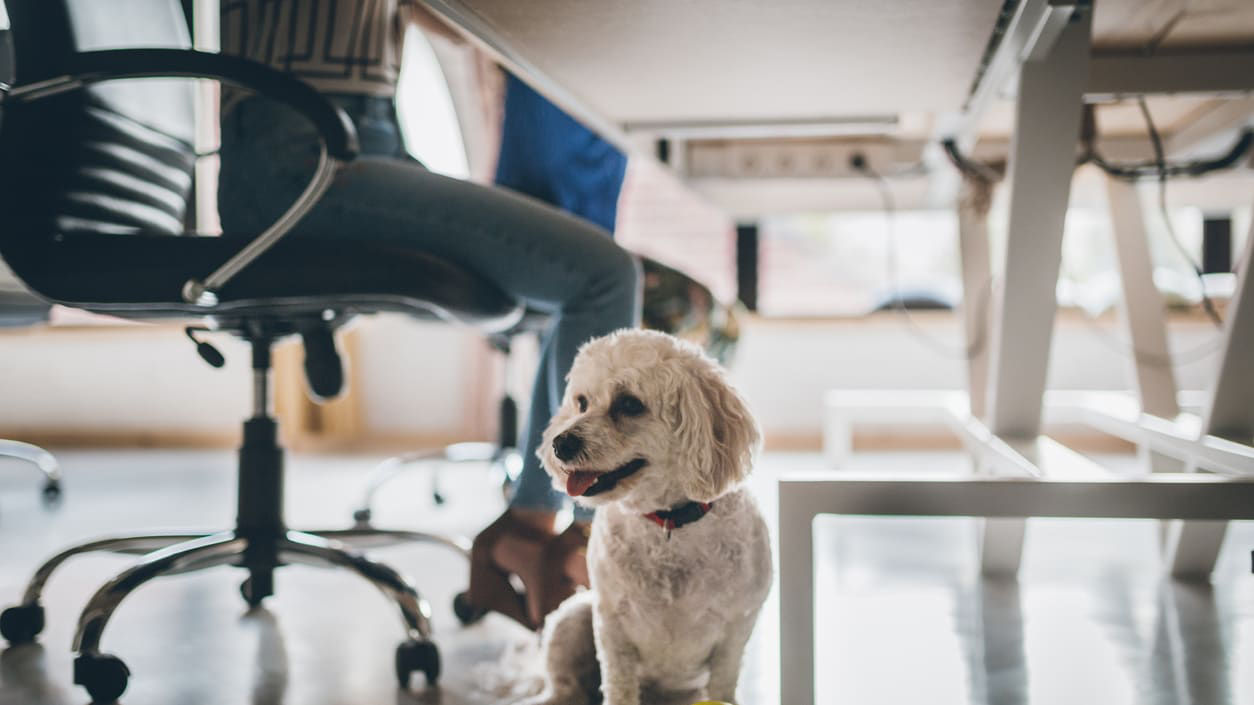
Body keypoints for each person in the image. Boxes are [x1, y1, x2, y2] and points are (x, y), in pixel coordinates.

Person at [217, 1, 638, 629]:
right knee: (601, 275)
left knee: (571, 280)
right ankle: (578, 534)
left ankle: (535, 522)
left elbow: (462, 27)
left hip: (356, 142)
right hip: (299, 157)